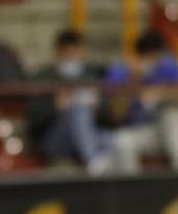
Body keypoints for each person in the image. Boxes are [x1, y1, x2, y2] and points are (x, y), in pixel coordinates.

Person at [100, 28, 178, 173]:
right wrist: (133, 80)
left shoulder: (167, 65)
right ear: (140, 56)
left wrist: (159, 93)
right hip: (135, 131)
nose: (155, 61)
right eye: (151, 57)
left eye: (158, 57)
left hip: (161, 131)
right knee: (122, 142)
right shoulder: (121, 71)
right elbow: (116, 115)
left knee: (173, 117)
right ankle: (134, 190)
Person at [25, 29, 114, 173]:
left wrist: (96, 106)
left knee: (118, 140)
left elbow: (108, 116)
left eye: (74, 53)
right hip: (54, 139)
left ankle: (94, 158)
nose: (71, 58)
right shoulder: (43, 77)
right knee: (77, 109)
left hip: (88, 134)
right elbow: (33, 118)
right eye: (67, 53)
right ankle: (92, 160)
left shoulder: (91, 76)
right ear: (57, 53)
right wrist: (56, 105)